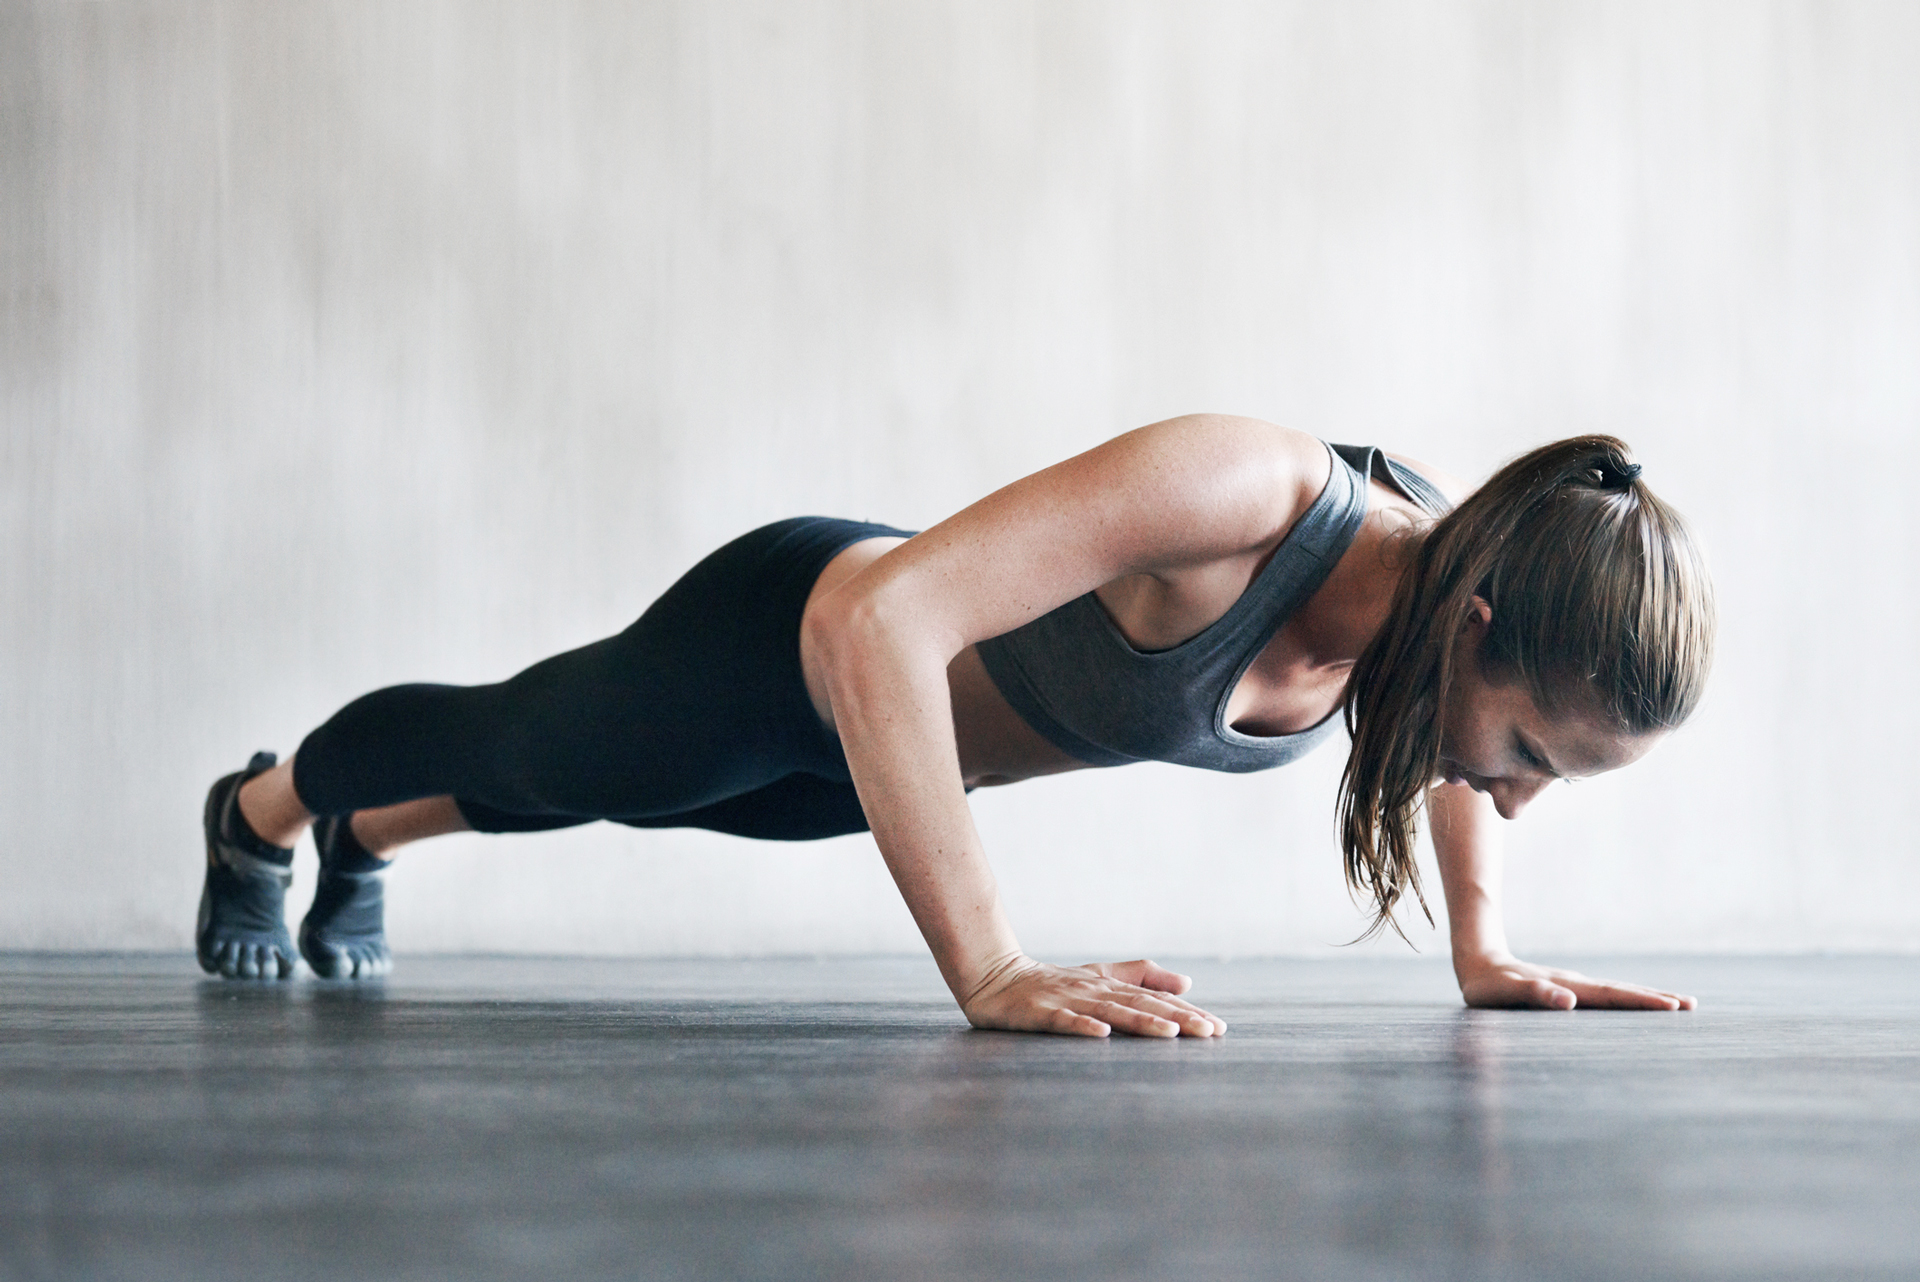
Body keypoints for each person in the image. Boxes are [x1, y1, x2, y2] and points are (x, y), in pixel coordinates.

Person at [196, 414, 1715, 1037]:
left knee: (601, 794)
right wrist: (989, 964)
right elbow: (884, 621)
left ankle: (366, 838)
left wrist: (1481, 947)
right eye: (1533, 752)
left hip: (887, 767)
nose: (1510, 793)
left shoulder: (1435, 615)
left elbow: (1441, 753)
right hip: (788, 647)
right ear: (1480, 623)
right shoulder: (1251, 496)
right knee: (521, 743)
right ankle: (263, 812)